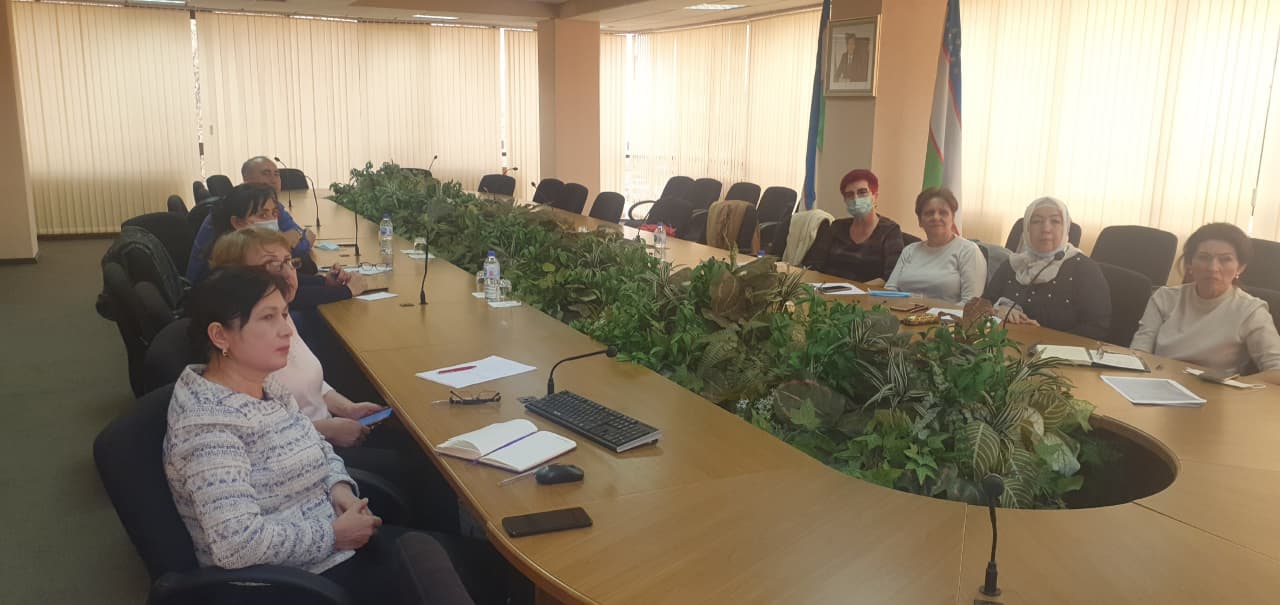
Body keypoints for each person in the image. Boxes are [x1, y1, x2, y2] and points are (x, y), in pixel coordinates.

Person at [163, 267, 474, 604]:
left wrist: (339, 488)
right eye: (268, 318)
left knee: (463, 563)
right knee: (442, 564)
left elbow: (317, 447)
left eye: (284, 314)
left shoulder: (264, 385)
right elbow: (236, 544)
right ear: (220, 336)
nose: (286, 329)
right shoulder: (207, 427)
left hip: (333, 546)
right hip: (294, 585)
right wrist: (333, 536)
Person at [1131, 223, 1280, 379]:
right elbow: (1139, 352)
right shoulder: (1165, 297)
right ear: (1190, 264)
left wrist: (1234, 384)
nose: (1213, 268)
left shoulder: (1250, 310)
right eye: (1204, 257)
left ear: (1240, 268)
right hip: (1157, 383)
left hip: (1216, 392)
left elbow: (1277, 371)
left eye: (1225, 259)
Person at [983, 197, 1111, 340]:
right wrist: (998, 310)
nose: (1046, 229)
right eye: (1036, 221)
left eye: (1055, 221)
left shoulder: (1084, 269)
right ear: (1027, 228)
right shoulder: (1013, 264)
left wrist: (1044, 338)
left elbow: (1096, 328)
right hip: (1004, 346)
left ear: (1066, 228)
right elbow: (982, 306)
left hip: (1057, 351)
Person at [801, 169, 905, 283]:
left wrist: (857, 290)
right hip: (826, 289)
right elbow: (812, 265)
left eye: (862, 192)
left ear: (875, 196)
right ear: (845, 200)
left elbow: (892, 276)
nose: (855, 198)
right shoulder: (836, 227)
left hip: (866, 292)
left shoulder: (890, 231)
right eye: (849, 194)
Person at [885, 188, 985, 305]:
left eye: (943, 213)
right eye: (929, 213)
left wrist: (932, 314)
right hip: (902, 313)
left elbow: (970, 304)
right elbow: (890, 290)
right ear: (920, 221)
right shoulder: (909, 250)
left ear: (953, 218)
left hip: (946, 316)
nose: (936, 217)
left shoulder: (968, 250)